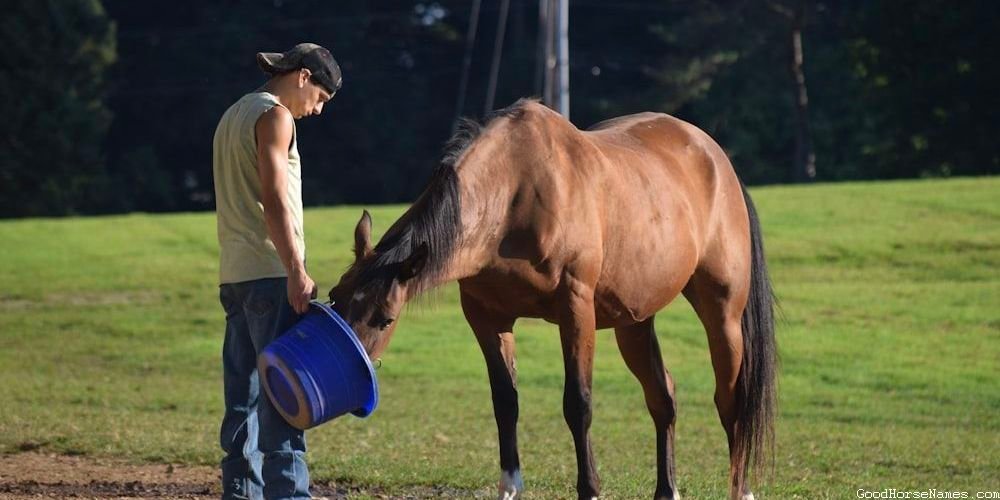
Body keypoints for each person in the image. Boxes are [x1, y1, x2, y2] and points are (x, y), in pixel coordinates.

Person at [212, 43, 341, 500]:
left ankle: (240, 492)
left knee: (241, 398)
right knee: (283, 398)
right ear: (303, 77)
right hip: (270, 271)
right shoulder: (276, 116)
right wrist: (296, 268)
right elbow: (273, 197)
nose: (319, 110)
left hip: (234, 274)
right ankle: (289, 495)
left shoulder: (232, 115)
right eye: (322, 97)